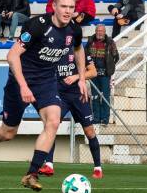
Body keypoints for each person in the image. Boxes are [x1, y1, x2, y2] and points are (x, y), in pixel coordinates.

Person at [0, 0, 87, 191]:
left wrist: (82, 78)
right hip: (19, 81)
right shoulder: (37, 26)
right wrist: (23, 86)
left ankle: (31, 174)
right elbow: (12, 55)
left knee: (54, 120)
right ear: (54, 7)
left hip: (46, 81)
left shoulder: (74, 30)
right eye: (64, 7)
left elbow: (78, 49)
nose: (68, 11)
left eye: (71, 7)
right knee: (8, 133)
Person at [38, 50, 103, 178]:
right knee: (50, 126)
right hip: (59, 97)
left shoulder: (79, 50)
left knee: (89, 132)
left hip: (79, 96)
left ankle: (98, 168)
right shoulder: (54, 51)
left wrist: (77, 76)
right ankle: (49, 165)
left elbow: (93, 72)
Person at [85, 24, 119, 125]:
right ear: (95, 31)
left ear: (105, 32)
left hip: (105, 74)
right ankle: (96, 119)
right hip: (93, 74)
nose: (100, 33)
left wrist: (109, 67)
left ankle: (105, 119)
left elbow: (116, 57)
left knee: (105, 97)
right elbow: (85, 54)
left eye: (102, 31)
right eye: (98, 31)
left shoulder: (110, 42)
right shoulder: (90, 41)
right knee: (95, 97)